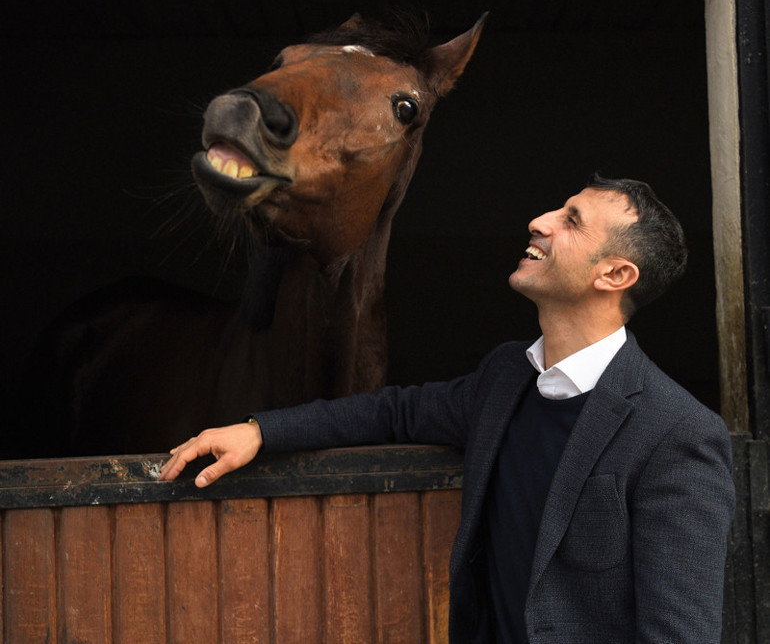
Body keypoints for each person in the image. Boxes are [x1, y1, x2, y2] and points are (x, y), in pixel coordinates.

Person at [160, 174, 735, 643]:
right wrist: (261, 430)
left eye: (571, 221)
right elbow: (394, 412)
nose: (540, 221)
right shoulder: (506, 376)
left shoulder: (677, 433)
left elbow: (679, 635)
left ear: (614, 275)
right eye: (558, 208)